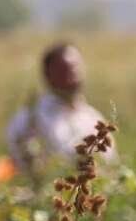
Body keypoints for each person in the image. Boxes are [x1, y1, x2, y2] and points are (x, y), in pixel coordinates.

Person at [6, 42, 114, 173]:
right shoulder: (30, 119)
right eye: (63, 70)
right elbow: (21, 163)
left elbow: (111, 163)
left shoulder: (92, 118)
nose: (72, 76)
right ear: (47, 75)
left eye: (75, 68)